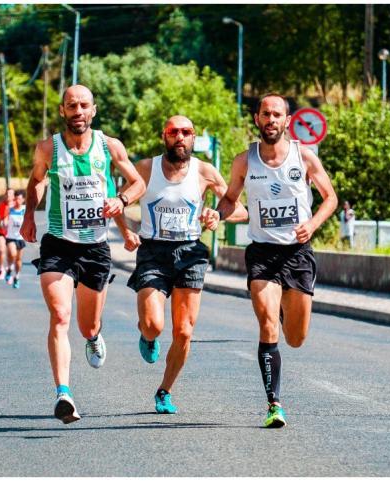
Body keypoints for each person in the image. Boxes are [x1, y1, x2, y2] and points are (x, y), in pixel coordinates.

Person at [21, 84, 145, 424]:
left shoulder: (109, 146)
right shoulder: (49, 148)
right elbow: (35, 181)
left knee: (86, 324)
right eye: (71, 106)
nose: (78, 111)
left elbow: (137, 183)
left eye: (84, 105)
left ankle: (93, 335)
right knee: (60, 316)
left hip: (95, 247)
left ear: (93, 110)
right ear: (63, 111)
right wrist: (30, 214)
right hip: (58, 243)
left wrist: (121, 202)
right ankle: (64, 393)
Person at [216, 93, 338, 428]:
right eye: (265, 114)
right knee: (268, 324)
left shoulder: (305, 156)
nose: (271, 120)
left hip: (297, 254)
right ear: (257, 119)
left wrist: (311, 225)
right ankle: (274, 403)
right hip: (263, 253)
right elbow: (229, 200)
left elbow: (331, 198)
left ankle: (286, 306)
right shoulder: (244, 161)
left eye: (277, 115)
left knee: (296, 338)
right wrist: (216, 214)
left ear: (287, 120)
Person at [119, 115, 247, 414]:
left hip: (190, 252)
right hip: (153, 250)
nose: (180, 137)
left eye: (186, 132)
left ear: (193, 138)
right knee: (153, 325)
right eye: (173, 131)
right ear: (164, 136)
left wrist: (217, 215)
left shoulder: (204, 171)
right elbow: (118, 199)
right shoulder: (146, 169)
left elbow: (238, 208)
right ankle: (147, 336)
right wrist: (125, 230)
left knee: (184, 331)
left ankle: (165, 390)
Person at [4, 191, 26, 289]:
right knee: (13, 254)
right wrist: (4, 223)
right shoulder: (10, 209)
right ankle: (9, 269)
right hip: (10, 237)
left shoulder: (25, 209)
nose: (17, 201)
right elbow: (4, 219)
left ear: (23, 200)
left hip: (20, 238)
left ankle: (16, 277)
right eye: (16, 199)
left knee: (18, 260)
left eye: (19, 199)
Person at [0, 188, 14, 282]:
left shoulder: (16, 206)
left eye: (11, 194)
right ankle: (1, 268)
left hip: (12, 234)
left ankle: (9, 270)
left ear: (14, 196)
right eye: (7, 194)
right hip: (1, 232)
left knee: (11, 254)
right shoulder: (0, 206)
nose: (8, 196)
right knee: (2, 250)